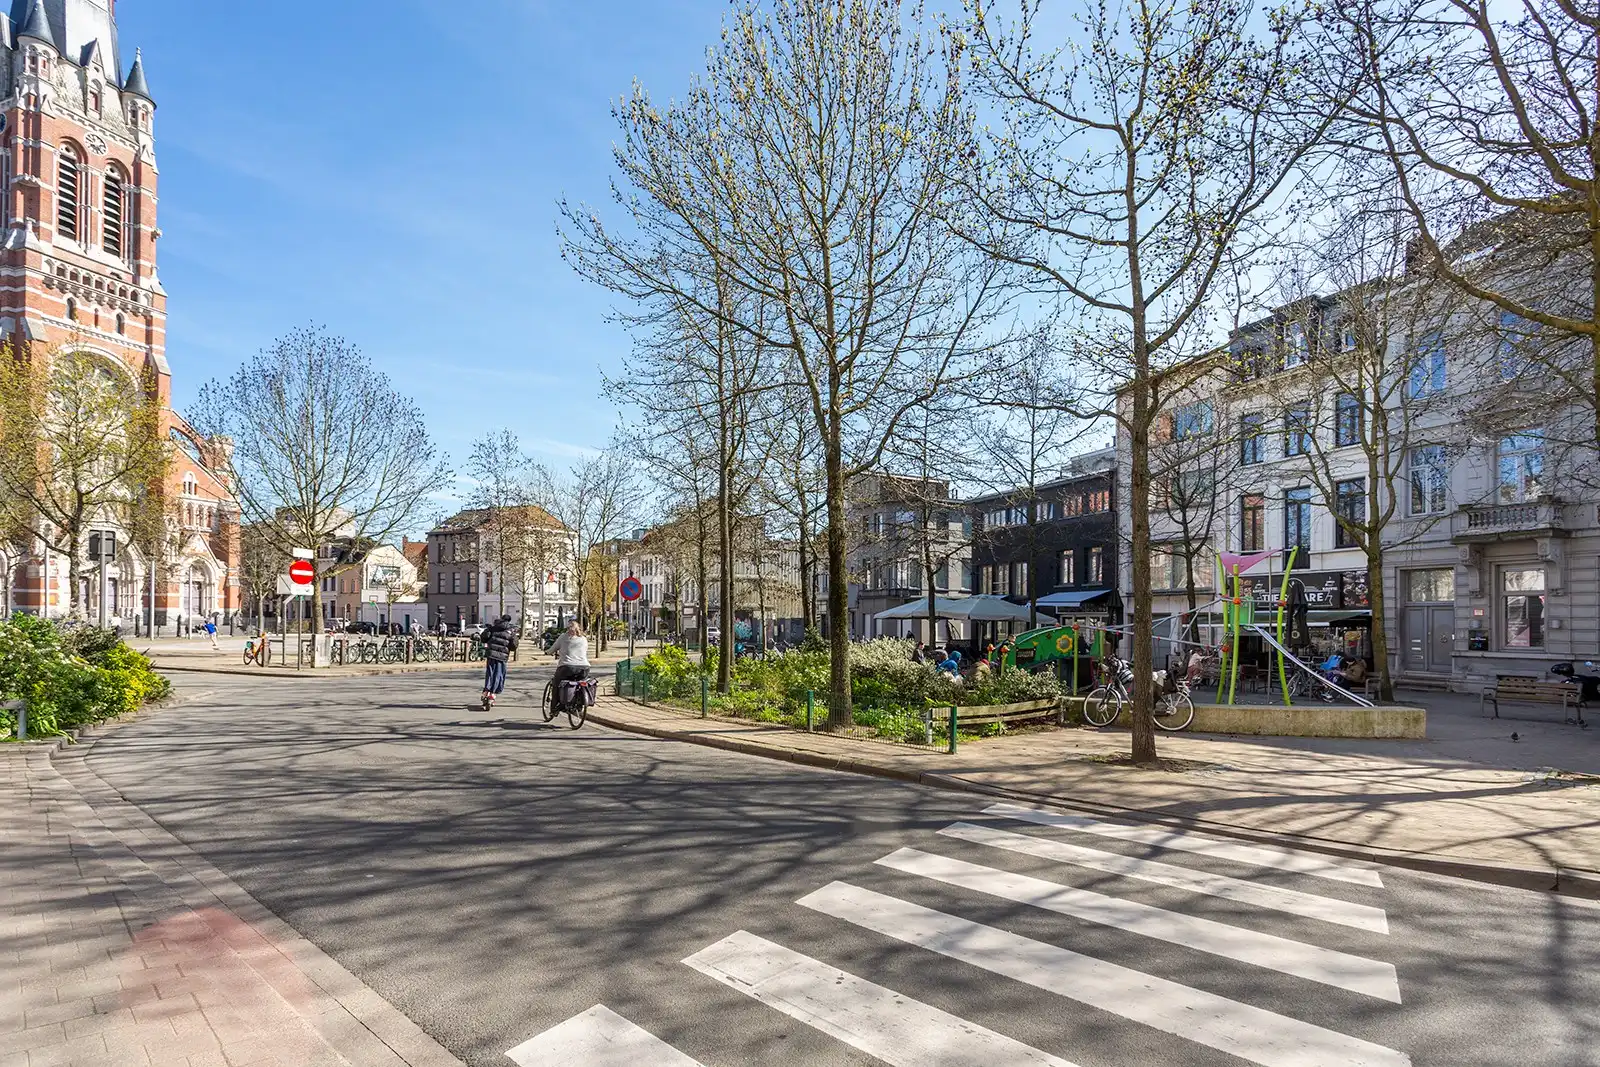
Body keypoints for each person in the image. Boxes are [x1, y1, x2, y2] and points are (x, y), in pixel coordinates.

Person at [480, 614, 518, 707]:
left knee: (490, 673)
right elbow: (514, 646)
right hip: (502, 656)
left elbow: (484, 638)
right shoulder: (511, 631)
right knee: (499, 674)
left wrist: (488, 630)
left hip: (491, 655)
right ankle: (493, 693)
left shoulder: (493, 627)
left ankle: (486, 691)